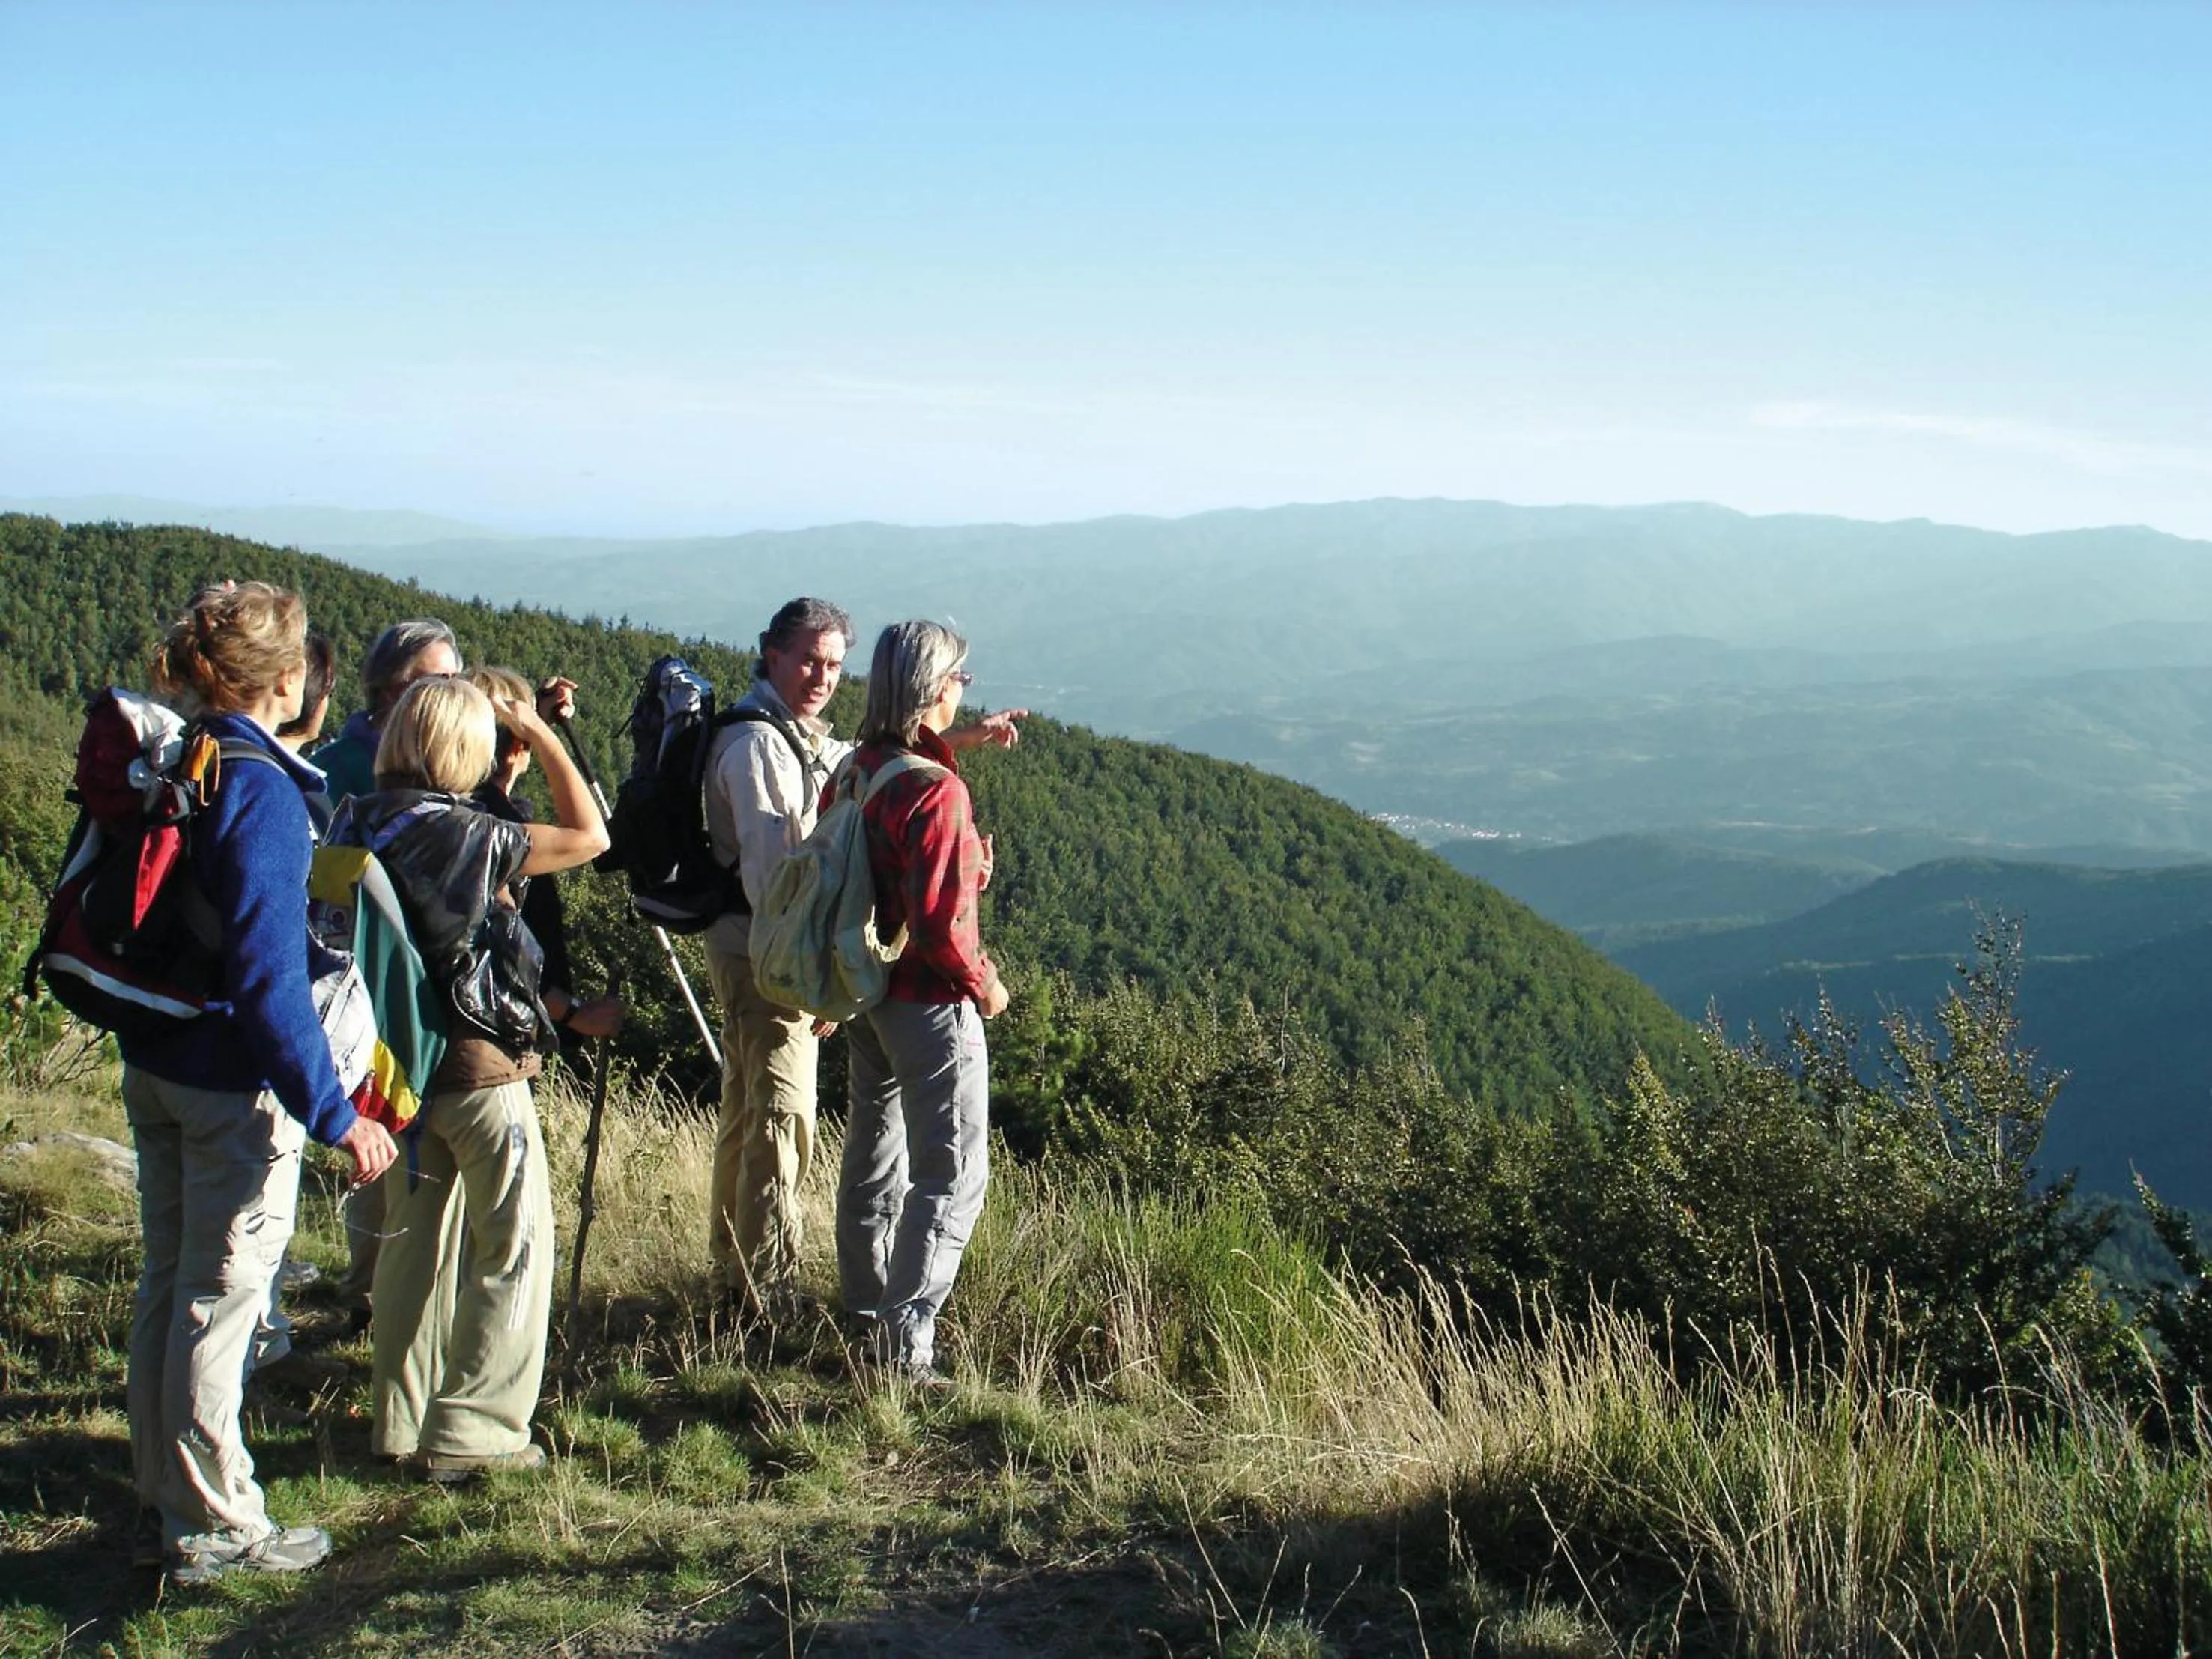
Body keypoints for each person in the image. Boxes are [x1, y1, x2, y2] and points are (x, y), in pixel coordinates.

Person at [122, 582, 398, 1584]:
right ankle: (218, 1524)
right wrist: (338, 1114)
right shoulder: (263, 788)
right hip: (231, 1082)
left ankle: (161, 1488)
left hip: (156, 1060)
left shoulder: (180, 757)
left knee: (170, 1284)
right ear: (287, 680)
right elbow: (269, 975)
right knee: (220, 1301)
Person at [338, 675, 607, 1479]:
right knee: (513, 1243)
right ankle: (478, 1427)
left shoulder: (355, 818)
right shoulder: (469, 834)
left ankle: (401, 1418)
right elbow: (591, 834)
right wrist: (545, 735)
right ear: (466, 747)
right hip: (479, 1068)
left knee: (411, 1249)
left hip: (396, 1075)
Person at [834, 621, 1021, 1385]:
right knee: (951, 1175)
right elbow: (942, 929)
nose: (960, 690)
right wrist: (988, 985)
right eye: (959, 679)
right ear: (935, 685)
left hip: (868, 995)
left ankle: (863, 1305)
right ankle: (904, 1349)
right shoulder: (935, 791)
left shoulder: (858, 767)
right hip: (931, 1006)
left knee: (873, 1154)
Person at [701, 598, 854, 1321]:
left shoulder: (784, 734)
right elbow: (772, 886)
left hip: (751, 946)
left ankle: (734, 1272)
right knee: (781, 1116)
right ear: (770, 653)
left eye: (833, 664)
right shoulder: (759, 747)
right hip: (767, 955)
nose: (820, 676)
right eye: (807, 659)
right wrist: (819, 982)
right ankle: (770, 1290)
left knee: (746, 1109)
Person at [311, 617, 461, 1326]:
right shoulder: (345, 769)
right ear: (388, 689)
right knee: (380, 1151)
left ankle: (396, 1295)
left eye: (452, 681)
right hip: (361, 990)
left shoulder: (440, 764)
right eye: (429, 681)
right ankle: (372, 1295)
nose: (443, 696)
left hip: (414, 989)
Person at [466, 664, 623, 1055]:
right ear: (521, 747)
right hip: (496, 1042)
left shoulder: (441, 812)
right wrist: (574, 1013)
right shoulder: (497, 833)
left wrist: (533, 714)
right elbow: (497, 948)